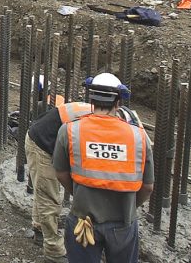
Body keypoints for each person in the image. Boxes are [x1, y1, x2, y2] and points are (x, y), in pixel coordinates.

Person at [53, 73, 154, 263]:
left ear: (91, 99)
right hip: (123, 224)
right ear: (118, 102)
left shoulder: (69, 130)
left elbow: (61, 173)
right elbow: (148, 187)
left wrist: (80, 194)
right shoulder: (139, 136)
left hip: (83, 221)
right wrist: (130, 208)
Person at [25, 85, 94, 261]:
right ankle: (53, 250)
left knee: (44, 192)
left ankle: (39, 229)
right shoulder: (95, 123)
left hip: (46, 138)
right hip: (41, 144)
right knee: (49, 197)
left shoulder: (98, 112)